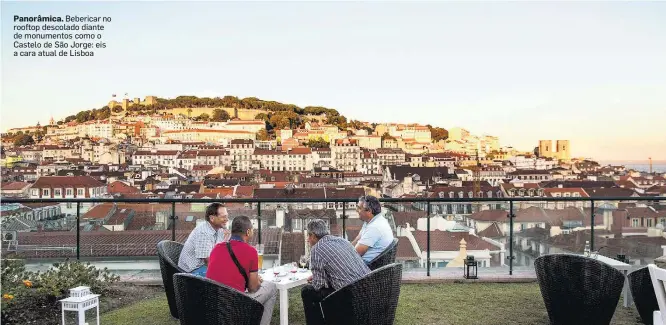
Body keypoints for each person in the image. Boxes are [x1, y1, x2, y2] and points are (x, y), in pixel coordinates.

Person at [207, 216, 277, 325]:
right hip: (235, 306)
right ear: (248, 232)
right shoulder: (251, 251)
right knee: (271, 287)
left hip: (213, 304)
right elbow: (253, 288)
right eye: (252, 229)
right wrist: (257, 280)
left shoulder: (216, 248)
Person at [301, 219, 369, 325]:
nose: (307, 239)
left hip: (350, 296)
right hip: (367, 289)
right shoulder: (341, 240)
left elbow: (319, 286)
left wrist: (316, 278)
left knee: (307, 291)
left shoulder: (317, 249)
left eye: (308, 236)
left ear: (313, 235)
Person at [177, 202, 230, 276]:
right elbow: (208, 262)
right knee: (228, 275)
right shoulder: (203, 232)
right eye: (223, 217)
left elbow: (221, 252)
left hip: (203, 266)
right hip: (191, 271)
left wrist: (225, 241)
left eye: (227, 216)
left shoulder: (220, 229)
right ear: (212, 218)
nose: (227, 219)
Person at [351, 195, 394, 264]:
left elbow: (356, 255)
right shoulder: (371, 221)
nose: (356, 210)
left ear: (369, 211)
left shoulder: (374, 227)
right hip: (364, 264)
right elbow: (357, 240)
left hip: (366, 268)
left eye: (359, 208)